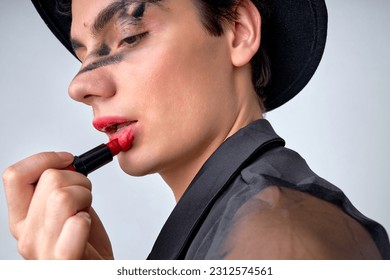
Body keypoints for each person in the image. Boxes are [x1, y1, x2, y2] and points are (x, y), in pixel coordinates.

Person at [2, 0, 389, 260]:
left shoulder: (274, 240)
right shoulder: (243, 222)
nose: (79, 86)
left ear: (238, 30)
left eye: (130, 36)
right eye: (82, 54)